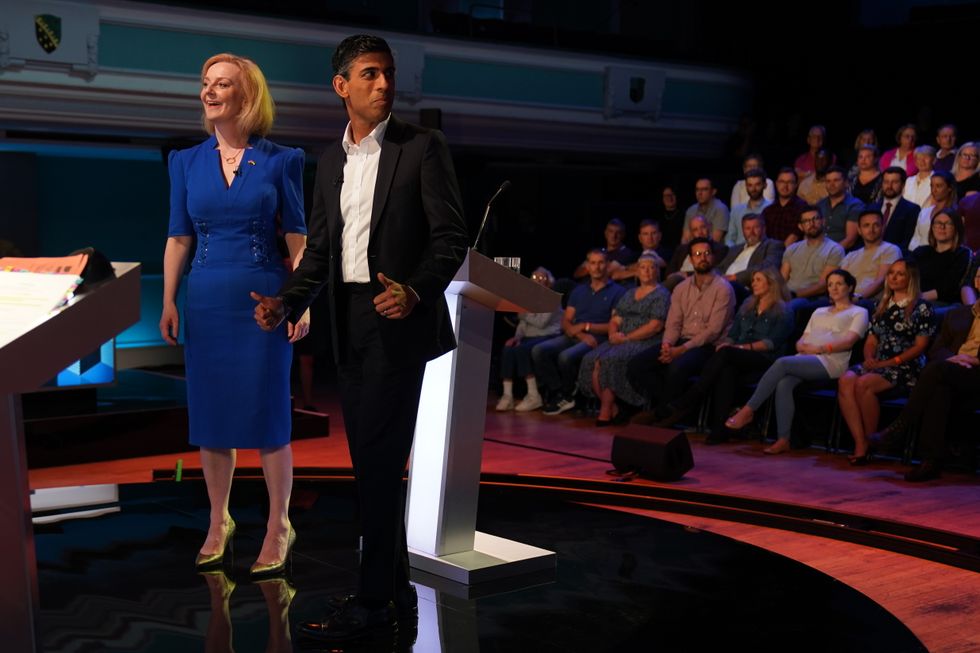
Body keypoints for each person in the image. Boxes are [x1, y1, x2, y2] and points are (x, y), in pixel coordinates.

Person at [251, 35, 469, 640]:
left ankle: (374, 602)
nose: (384, 84)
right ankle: (393, 591)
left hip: (397, 318)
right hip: (348, 323)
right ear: (341, 86)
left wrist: (416, 291)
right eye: (370, 75)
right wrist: (286, 301)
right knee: (370, 461)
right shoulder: (330, 161)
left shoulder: (422, 147)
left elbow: (450, 237)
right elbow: (319, 253)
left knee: (376, 464)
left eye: (389, 74)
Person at [161, 53, 309, 576]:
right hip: (204, 301)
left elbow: (297, 235)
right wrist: (168, 302)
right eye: (205, 83)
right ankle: (219, 520)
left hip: (262, 302)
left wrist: (299, 298)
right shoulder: (185, 161)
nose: (210, 91)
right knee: (212, 417)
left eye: (222, 83)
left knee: (268, 415)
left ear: (247, 95)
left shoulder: (281, 159)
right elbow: (179, 236)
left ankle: (278, 524)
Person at [726, 270, 869, 454]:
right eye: (830, 284)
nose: (833, 288)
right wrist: (803, 347)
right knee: (784, 384)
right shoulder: (819, 311)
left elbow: (849, 341)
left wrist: (819, 349)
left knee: (782, 363)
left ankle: (748, 410)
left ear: (850, 287)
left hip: (831, 362)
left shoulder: (859, 312)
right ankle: (784, 439)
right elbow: (801, 340)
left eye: (839, 284)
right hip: (806, 357)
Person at [656, 267, 794, 442]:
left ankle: (691, 397)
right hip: (737, 355)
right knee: (725, 368)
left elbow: (771, 343)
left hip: (765, 359)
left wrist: (739, 348)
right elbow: (733, 335)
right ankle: (720, 428)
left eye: (758, 279)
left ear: (772, 283)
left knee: (727, 355)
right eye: (753, 280)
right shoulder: (747, 305)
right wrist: (726, 344)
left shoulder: (784, 310)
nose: (753, 284)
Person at [871, 264, 980, 482]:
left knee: (937, 373)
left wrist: (975, 359)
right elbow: (936, 349)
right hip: (953, 371)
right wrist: (953, 358)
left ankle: (901, 426)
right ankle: (930, 462)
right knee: (939, 388)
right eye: (978, 276)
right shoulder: (957, 314)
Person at [837, 259, 934, 464]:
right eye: (891, 273)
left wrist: (887, 363)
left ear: (911, 278)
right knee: (845, 380)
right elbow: (872, 339)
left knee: (864, 383)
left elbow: (920, 347)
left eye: (900, 273)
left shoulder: (922, 307)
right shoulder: (880, 305)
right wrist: (870, 358)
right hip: (877, 362)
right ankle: (860, 442)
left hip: (905, 366)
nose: (894, 277)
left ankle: (872, 442)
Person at [627, 238, 735, 420]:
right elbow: (673, 323)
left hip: (707, 346)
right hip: (679, 341)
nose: (703, 258)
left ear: (714, 258)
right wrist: (668, 345)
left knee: (677, 366)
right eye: (698, 254)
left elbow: (713, 331)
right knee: (636, 365)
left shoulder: (723, 289)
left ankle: (661, 414)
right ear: (691, 259)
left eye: (707, 254)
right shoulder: (681, 288)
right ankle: (672, 407)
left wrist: (681, 350)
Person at [576, 256, 670, 424]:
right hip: (621, 338)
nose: (647, 271)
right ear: (637, 271)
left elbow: (654, 326)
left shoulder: (662, 294)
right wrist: (613, 334)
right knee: (591, 359)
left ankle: (605, 411)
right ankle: (614, 408)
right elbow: (616, 319)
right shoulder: (629, 293)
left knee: (610, 359)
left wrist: (627, 338)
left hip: (645, 340)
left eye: (651, 267)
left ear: (657, 271)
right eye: (643, 267)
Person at [536, 249, 625, 415]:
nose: (597, 267)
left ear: (607, 265)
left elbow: (613, 325)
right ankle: (561, 392)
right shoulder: (578, 291)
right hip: (576, 335)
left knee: (565, 357)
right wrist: (581, 332)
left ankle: (567, 395)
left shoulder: (618, 292)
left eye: (601, 263)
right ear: (587, 266)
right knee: (539, 350)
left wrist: (586, 326)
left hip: (598, 337)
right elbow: (566, 321)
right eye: (593, 263)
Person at [496, 267, 562, 412]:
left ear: (548, 281)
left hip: (548, 335)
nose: (538, 281)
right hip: (529, 337)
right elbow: (522, 324)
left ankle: (533, 395)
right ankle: (507, 395)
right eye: (535, 278)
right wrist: (516, 337)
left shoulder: (553, 298)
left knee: (522, 349)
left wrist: (523, 314)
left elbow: (541, 323)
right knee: (509, 348)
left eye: (541, 278)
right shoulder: (529, 298)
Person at [781, 206, 844, 311]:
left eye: (815, 219)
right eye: (806, 221)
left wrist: (795, 295)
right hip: (788, 294)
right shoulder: (792, 249)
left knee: (789, 307)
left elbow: (823, 285)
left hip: (812, 297)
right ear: (800, 227)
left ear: (823, 221)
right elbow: (782, 279)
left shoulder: (834, 249)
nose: (811, 224)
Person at [716, 212, 785, 303]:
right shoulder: (734, 249)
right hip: (723, 284)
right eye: (748, 228)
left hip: (747, 288)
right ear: (743, 231)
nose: (752, 232)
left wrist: (736, 277)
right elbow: (720, 267)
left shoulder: (773, 245)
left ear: (764, 229)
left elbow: (768, 265)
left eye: (756, 227)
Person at [911, 209, 972, 309]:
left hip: (943, 304)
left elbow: (949, 288)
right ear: (932, 227)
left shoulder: (962, 254)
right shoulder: (920, 252)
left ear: (956, 228)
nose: (941, 227)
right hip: (915, 299)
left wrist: (917, 298)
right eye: (938, 223)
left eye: (948, 223)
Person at [840, 209, 902, 304]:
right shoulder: (851, 255)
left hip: (870, 302)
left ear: (882, 228)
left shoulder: (890, 249)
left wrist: (857, 299)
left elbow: (881, 281)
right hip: (846, 300)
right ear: (859, 230)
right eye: (866, 225)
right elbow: (840, 280)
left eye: (876, 225)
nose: (871, 230)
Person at [875, 166, 921, 253]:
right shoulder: (871, 208)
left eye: (894, 182)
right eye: (886, 182)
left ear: (903, 184)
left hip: (896, 256)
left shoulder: (912, 210)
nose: (889, 186)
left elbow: (907, 240)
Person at [907, 171, 956, 251]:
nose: (934, 190)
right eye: (932, 186)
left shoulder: (955, 214)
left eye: (938, 186)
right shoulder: (925, 212)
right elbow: (916, 238)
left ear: (949, 188)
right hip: (919, 255)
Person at [817, 165, 863, 250]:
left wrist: (830, 253)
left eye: (836, 180)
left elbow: (850, 240)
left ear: (846, 183)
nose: (831, 185)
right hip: (817, 250)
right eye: (828, 181)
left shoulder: (855, 205)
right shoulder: (820, 204)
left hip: (841, 254)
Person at [726, 167, 773, 247]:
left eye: (757, 184)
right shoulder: (737, 210)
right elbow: (730, 238)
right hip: (738, 253)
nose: (753, 189)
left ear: (765, 185)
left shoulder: (772, 208)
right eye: (750, 185)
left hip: (762, 252)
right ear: (746, 186)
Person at [761, 167, 808, 246]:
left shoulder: (802, 207)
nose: (785, 186)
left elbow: (795, 236)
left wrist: (778, 253)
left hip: (792, 253)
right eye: (782, 182)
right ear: (776, 184)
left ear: (796, 185)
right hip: (770, 252)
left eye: (790, 182)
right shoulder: (768, 210)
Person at [683, 177, 730, 243]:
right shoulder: (691, 210)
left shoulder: (721, 209)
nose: (699, 193)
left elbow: (715, 240)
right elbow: (685, 239)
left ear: (713, 191)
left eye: (704, 189)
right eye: (697, 190)